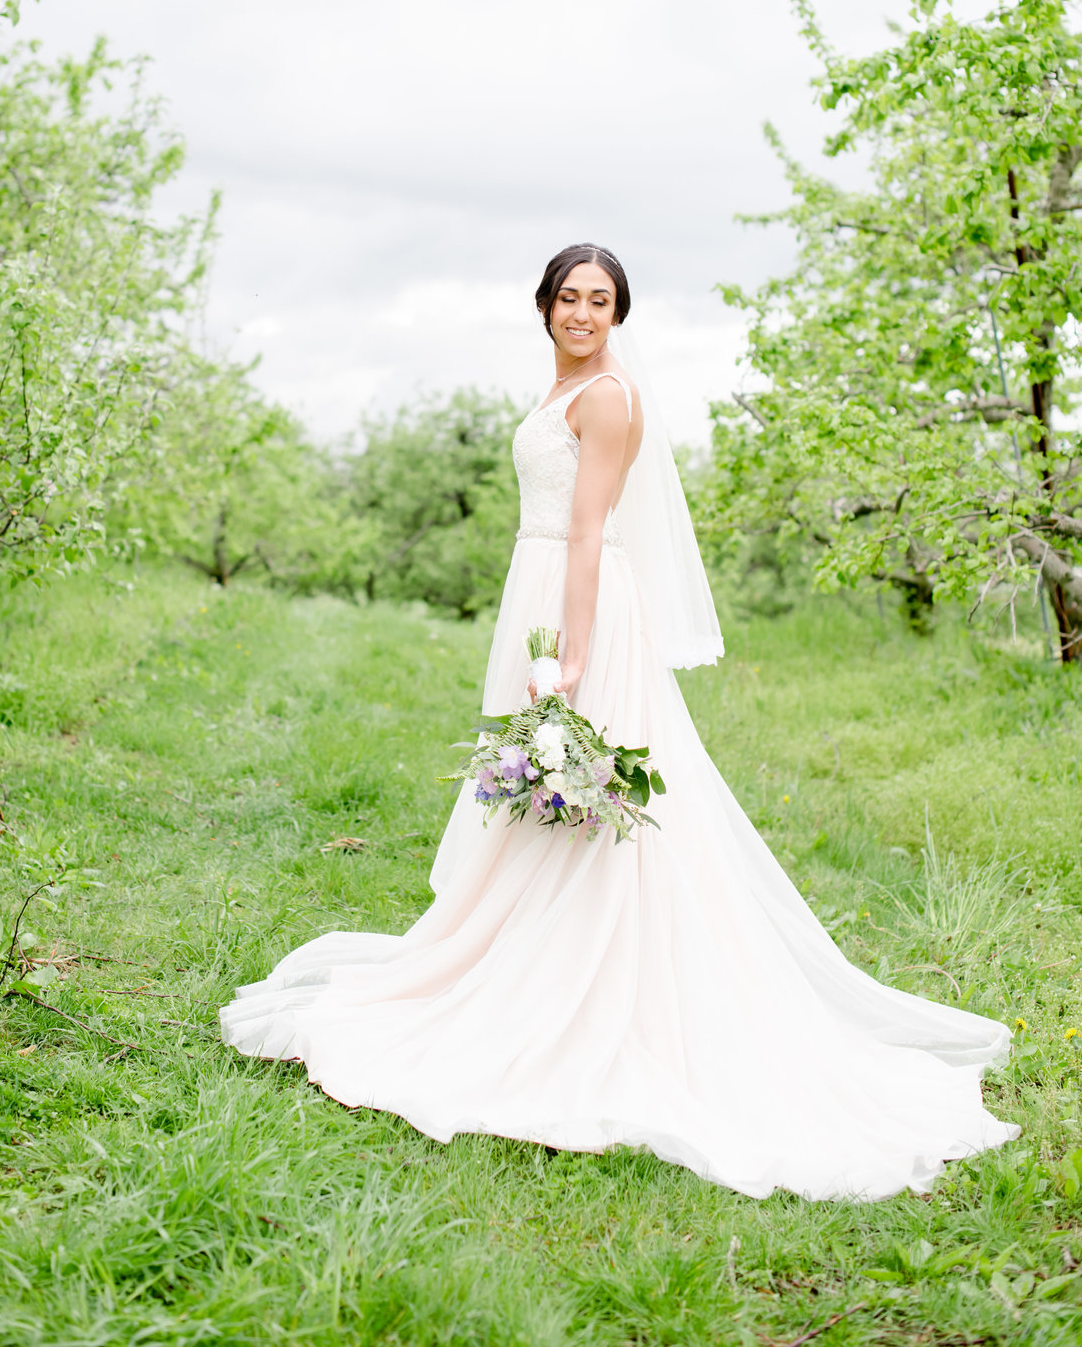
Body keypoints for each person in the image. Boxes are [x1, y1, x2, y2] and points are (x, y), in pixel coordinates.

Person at [220, 244, 1018, 1200]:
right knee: (545, 801)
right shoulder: (561, 390)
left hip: (580, 605)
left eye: (600, 300)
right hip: (543, 588)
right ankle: (528, 958)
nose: (583, 312)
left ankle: (589, 986)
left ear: (618, 313)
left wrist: (572, 658)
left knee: (586, 796)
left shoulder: (606, 398)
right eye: (569, 296)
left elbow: (593, 530)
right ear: (544, 305)